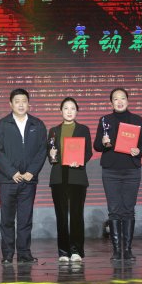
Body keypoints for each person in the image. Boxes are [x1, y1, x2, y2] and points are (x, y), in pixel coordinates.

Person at [0, 88, 47, 265]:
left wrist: (31, 172)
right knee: (7, 219)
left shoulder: (37, 125)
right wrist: (12, 172)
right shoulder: (2, 125)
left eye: (24, 101)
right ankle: (8, 254)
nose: (21, 105)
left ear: (29, 104)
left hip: (29, 180)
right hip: (8, 180)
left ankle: (24, 254)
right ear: (10, 104)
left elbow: (42, 151)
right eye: (17, 101)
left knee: (25, 219)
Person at [94, 88, 142, 261]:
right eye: (116, 99)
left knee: (128, 210)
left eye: (122, 98)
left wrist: (138, 150)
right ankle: (117, 251)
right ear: (111, 102)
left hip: (131, 170)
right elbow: (96, 146)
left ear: (128, 100)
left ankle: (128, 249)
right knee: (114, 210)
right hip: (111, 170)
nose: (119, 102)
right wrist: (103, 142)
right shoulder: (105, 120)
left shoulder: (136, 119)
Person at [47, 97, 93, 263]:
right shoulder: (53, 131)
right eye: (66, 108)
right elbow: (50, 154)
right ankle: (63, 252)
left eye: (72, 108)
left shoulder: (83, 129)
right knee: (61, 216)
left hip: (77, 177)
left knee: (76, 215)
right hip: (58, 177)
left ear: (77, 111)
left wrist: (79, 161)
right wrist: (51, 155)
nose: (69, 111)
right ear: (61, 111)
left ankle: (76, 250)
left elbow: (88, 152)